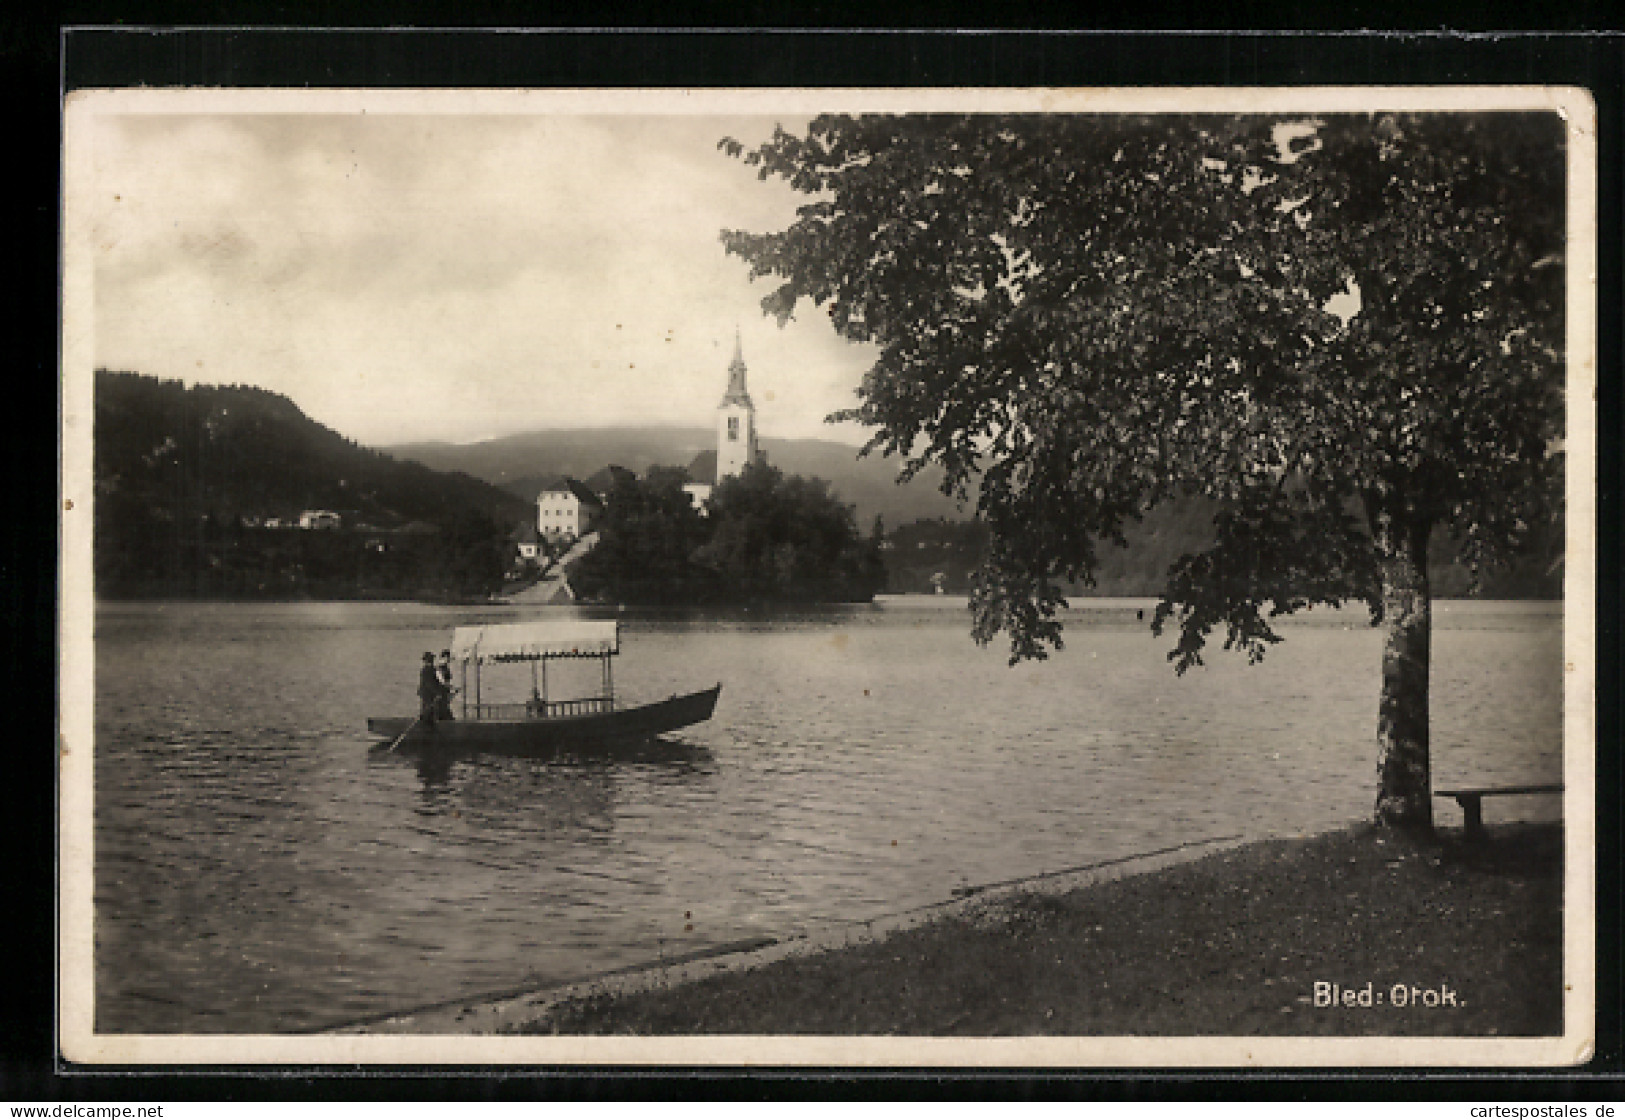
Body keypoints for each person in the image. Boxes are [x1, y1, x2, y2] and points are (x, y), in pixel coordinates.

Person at [417, 652, 441, 728]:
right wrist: (437, 693)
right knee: (428, 709)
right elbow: (429, 683)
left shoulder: (426, 670)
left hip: (425, 692)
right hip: (428, 693)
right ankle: (426, 725)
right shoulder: (429, 670)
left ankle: (426, 724)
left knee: (427, 709)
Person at [435, 650, 456, 721]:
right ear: (444, 657)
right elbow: (442, 681)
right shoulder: (439, 668)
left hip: (445, 690)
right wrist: (451, 687)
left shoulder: (445, 668)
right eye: (448, 658)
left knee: (444, 707)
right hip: (441, 691)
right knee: (442, 707)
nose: (449, 660)